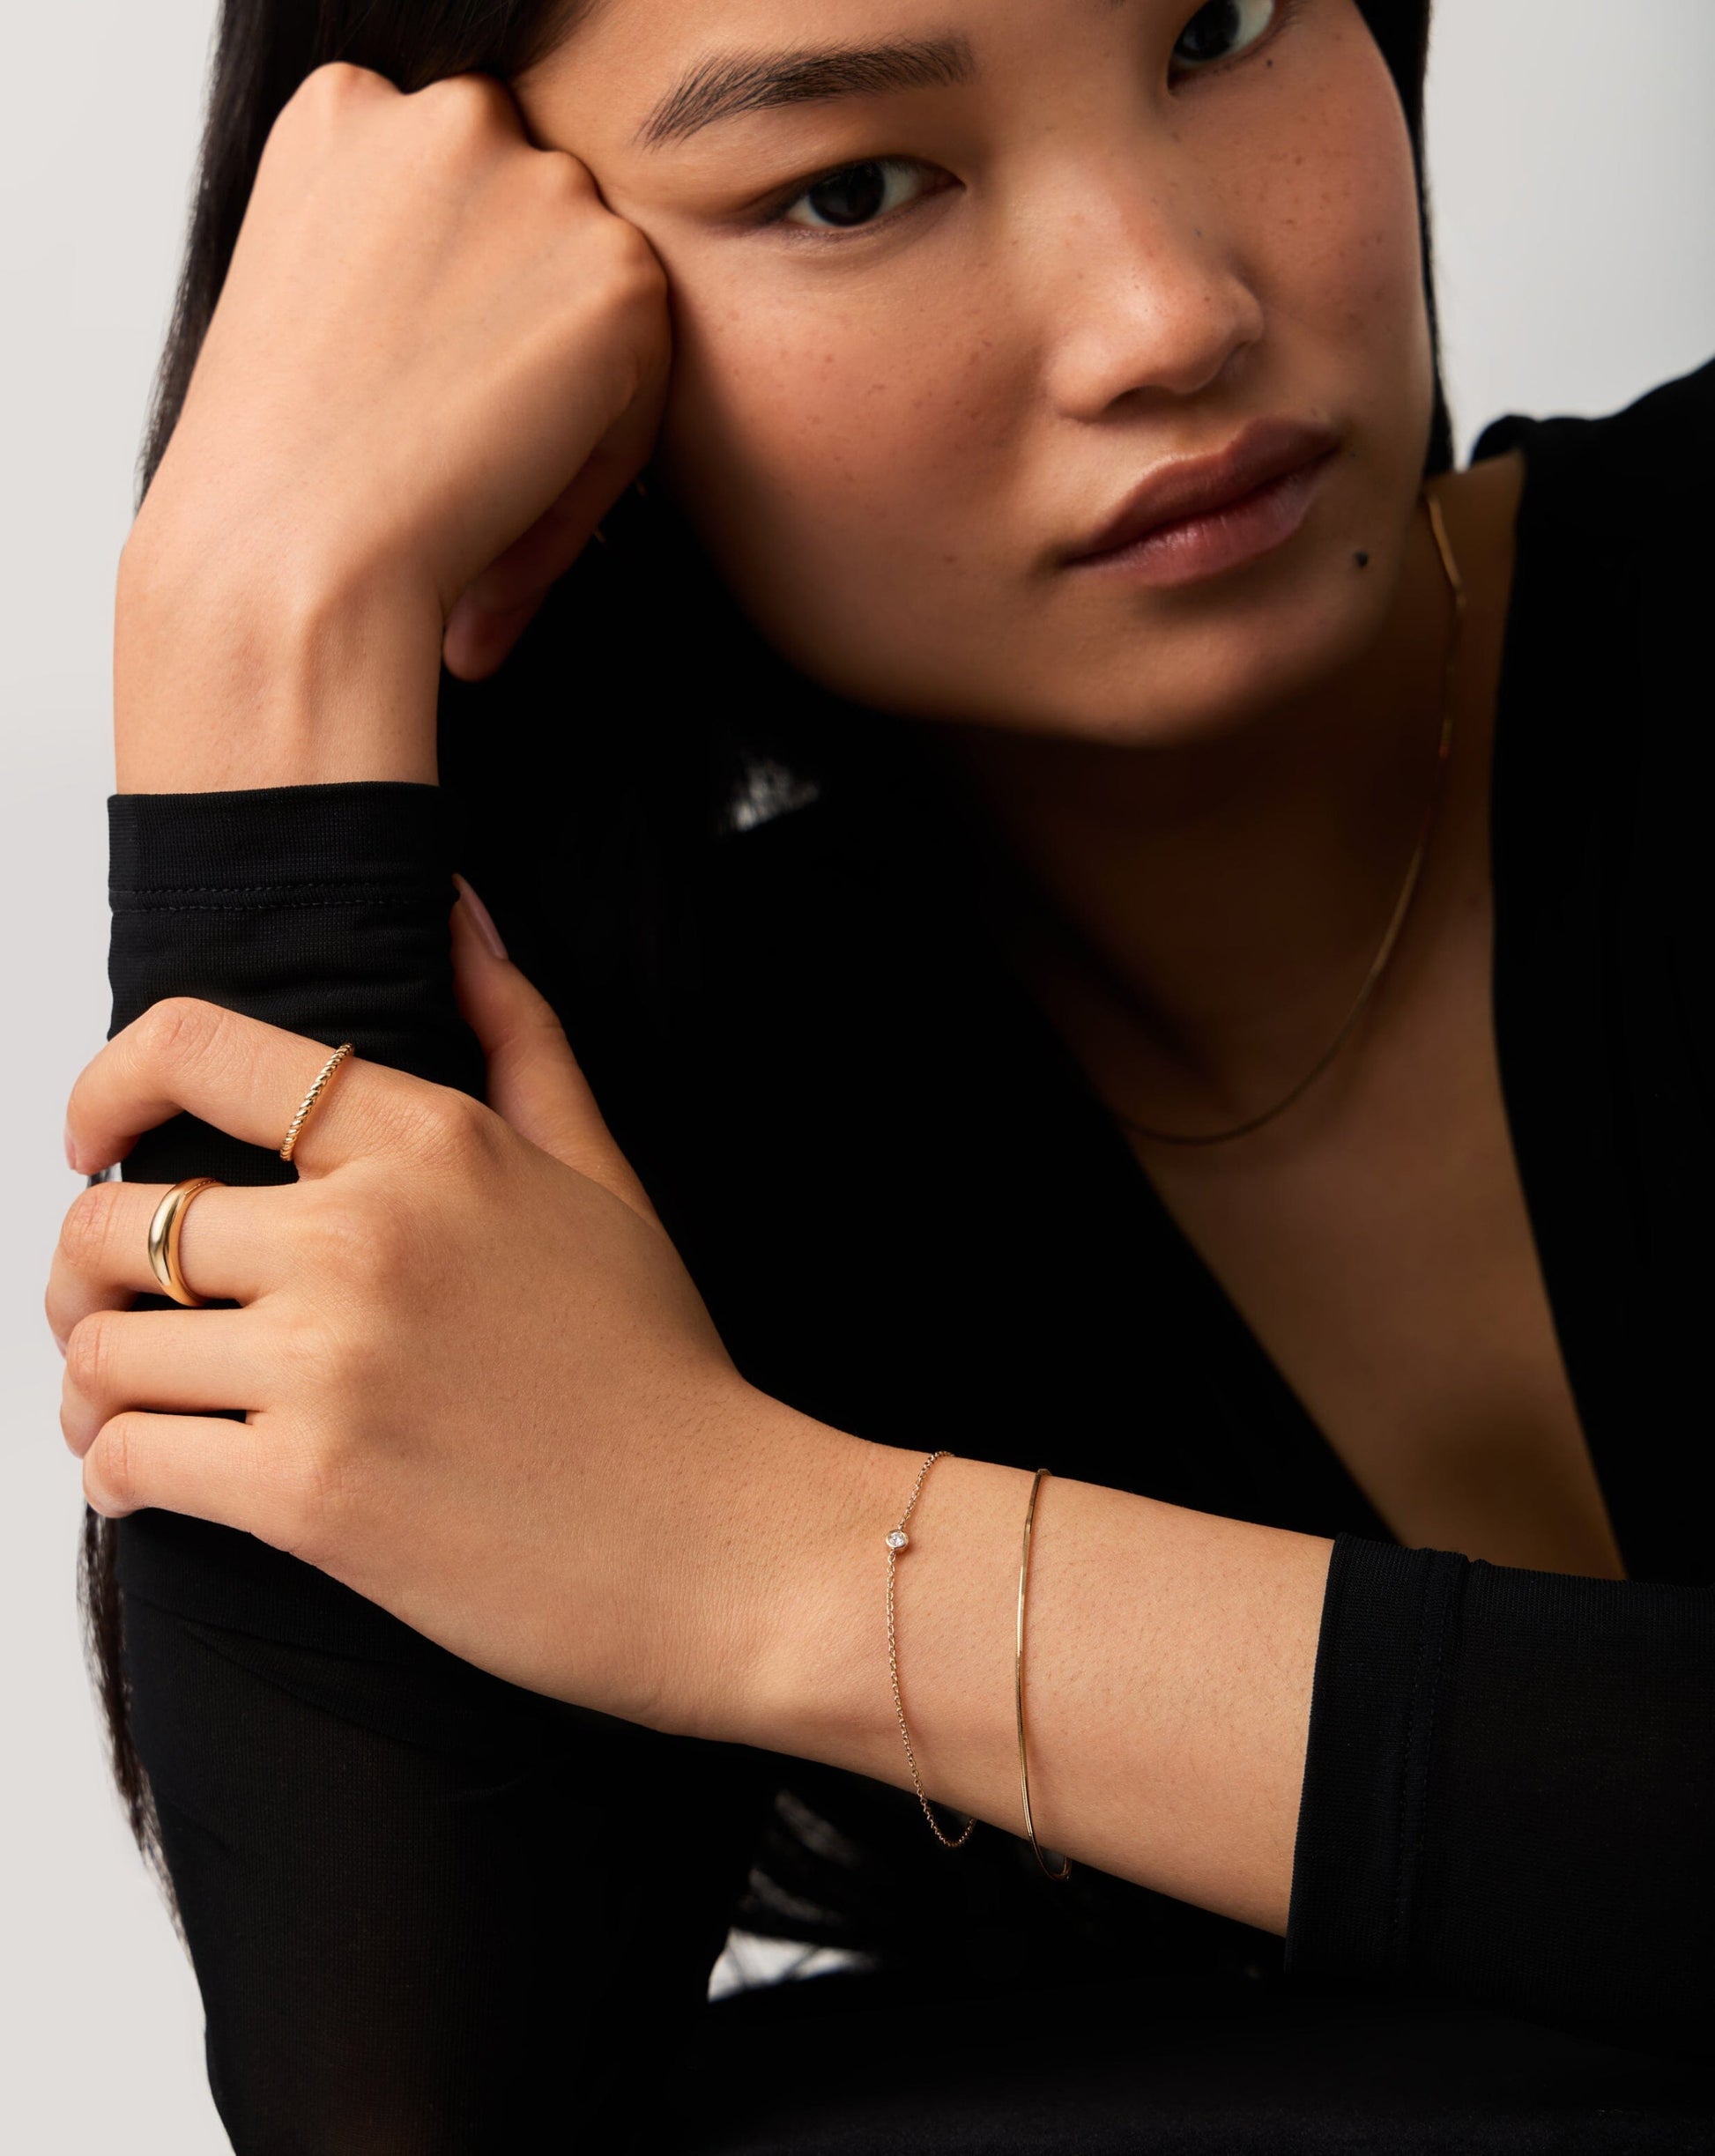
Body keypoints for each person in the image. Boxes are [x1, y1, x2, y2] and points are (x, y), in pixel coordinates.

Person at [45, 0, 1714, 2147]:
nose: (1169, 314)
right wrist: (258, 621)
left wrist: (776, 1561)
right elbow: (409, 2118)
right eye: (849, 188)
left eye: (1220, 25)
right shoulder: (695, 1144)